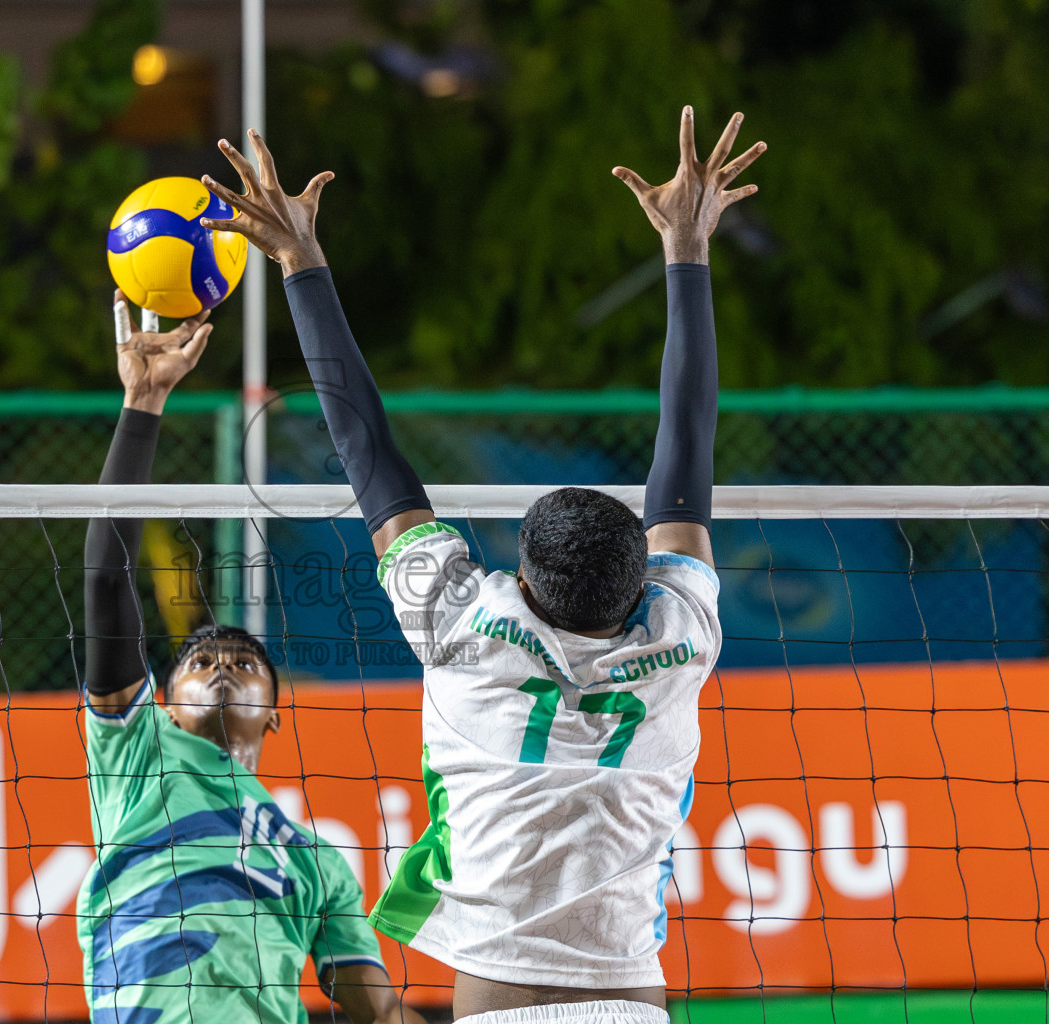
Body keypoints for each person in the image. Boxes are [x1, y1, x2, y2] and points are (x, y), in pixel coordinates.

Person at [201, 107, 764, 1024]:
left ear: (527, 585)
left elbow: (366, 450)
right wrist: (690, 253)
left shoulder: (465, 627)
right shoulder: (680, 637)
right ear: (640, 588)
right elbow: (687, 451)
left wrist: (299, 259)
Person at [77, 291, 428, 1024]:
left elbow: (381, 1011)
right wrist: (142, 402)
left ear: (274, 716)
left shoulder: (316, 862)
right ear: (164, 706)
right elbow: (107, 581)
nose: (221, 663)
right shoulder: (136, 756)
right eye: (199, 661)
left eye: (242, 660)